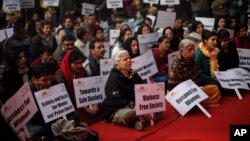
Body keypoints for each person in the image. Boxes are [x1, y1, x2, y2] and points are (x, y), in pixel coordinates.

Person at [168, 39, 221, 108]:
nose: (193, 52)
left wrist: (197, 87)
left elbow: (198, 77)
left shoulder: (193, 59)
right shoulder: (176, 63)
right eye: (190, 50)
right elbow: (175, 85)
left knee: (214, 88)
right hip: (180, 92)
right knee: (188, 99)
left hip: (193, 87)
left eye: (193, 49)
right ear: (181, 50)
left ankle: (196, 104)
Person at [102, 50, 146, 131]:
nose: (129, 60)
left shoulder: (134, 73)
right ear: (117, 64)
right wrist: (135, 106)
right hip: (118, 108)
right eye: (125, 59)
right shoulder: (114, 78)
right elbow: (117, 99)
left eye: (129, 58)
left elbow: (143, 87)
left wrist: (144, 103)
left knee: (156, 107)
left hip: (137, 104)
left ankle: (136, 120)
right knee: (130, 114)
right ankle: (136, 120)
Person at [54, 49, 100, 125]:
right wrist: (84, 107)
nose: (79, 65)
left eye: (80, 63)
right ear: (69, 63)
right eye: (76, 63)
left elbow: (90, 87)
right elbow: (66, 95)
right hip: (72, 103)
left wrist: (94, 103)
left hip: (84, 99)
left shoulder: (82, 70)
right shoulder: (60, 75)